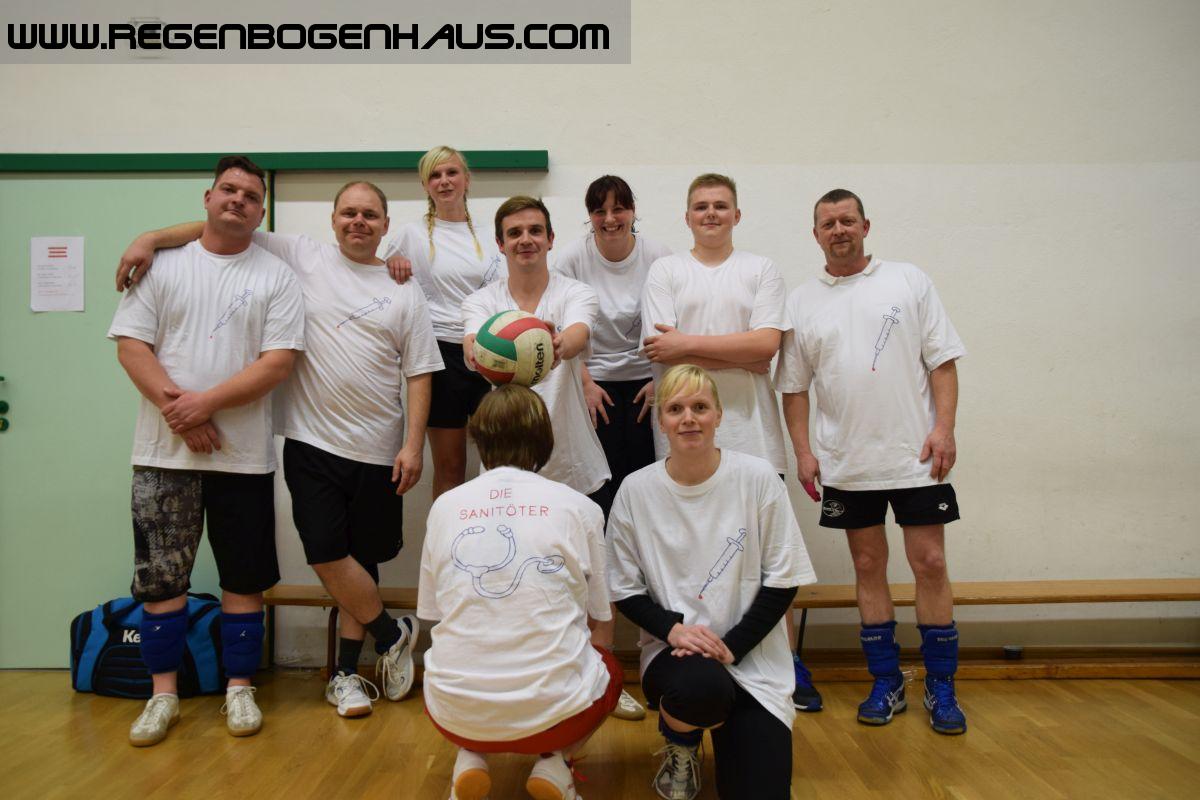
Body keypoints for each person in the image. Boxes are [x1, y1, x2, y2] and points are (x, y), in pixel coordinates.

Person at [117, 182, 443, 719]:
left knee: (361, 559)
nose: (358, 222)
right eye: (349, 213)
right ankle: (391, 633)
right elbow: (224, 226)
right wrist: (150, 239)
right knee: (325, 552)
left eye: (370, 215)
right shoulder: (301, 255)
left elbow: (420, 371)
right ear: (332, 219)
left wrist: (413, 445)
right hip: (311, 441)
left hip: (381, 447)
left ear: (386, 226)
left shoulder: (403, 286)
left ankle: (345, 674)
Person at [108, 156, 305, 745]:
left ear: (261, 211)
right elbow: (131, 346)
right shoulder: (163, 266)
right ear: (208, 197)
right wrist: (180, 411)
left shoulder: (277, 275)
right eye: (229, 189)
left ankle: (239, 688)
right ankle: (162, 696)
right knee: (161, 580)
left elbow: (278, 363)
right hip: (162, 456)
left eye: (250, 195)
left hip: (243, 459)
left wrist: (204, 405)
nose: (238, 200)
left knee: (244, 577)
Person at [775, 189, 968, 734]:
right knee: (867, 565)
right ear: (816, 234)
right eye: (828, 223)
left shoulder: (908, 281)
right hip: (847, 463)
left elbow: (943, 362)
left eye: (848, 220)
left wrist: (944, 429)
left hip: (915, 457)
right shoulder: (801, 302)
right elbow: (794, 388)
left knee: (930, 562)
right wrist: (804, 451)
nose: (839, 230)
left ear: (865, 226)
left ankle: (942, 686)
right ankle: (886, 682)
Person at [640, 173, 821, 711]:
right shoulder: (666, 270)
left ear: (737, 215)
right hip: (684, 438)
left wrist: (691, 347)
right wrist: (739, 353)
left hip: (754, 434)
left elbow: (766, 348)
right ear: (687, 217)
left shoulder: (761, 269)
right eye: (701, 206)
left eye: (721, 206)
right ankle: (693, 657)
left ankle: (785, 662)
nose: (711, 214)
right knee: (690, 554)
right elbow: (661, 350)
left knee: (769, 557)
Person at [607, 365, 817, 800]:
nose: (689, 418)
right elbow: (623, 587)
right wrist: (673, 630)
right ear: (661, 420)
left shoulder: (758, 478)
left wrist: (732, 647)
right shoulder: (636, 490)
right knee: (702, 689)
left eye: (700, 407)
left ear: (719, 415)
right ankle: (681, 741)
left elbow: (783, 580)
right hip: (675, 652)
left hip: (751, 655)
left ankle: (731, 729)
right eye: (676, 409)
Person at [418, 384, 620, 800]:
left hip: (453, 712)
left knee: (461, 649)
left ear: (478, 437)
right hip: (558, 716)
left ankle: (469, 758)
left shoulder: (443, 507)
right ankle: (555, 765)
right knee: (609, 670)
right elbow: (601, 615)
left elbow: (433, 611)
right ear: (545, 440)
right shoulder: (581, 507)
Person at [383, 146, 506, 500]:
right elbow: (375, 278)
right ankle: (446, 538)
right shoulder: (410, 235)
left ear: (466, 179)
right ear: (425, 185)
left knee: (501, 464)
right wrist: (391, 264)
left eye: (451, 172)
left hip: (490, 353)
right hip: (439, 358)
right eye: (435, 175)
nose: (444, 181)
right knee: (450, 467)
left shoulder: (491, 233)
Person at [553, 175, 671, 517]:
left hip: (646, 380)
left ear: (633, 211)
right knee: (602, 481)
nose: (609, 219)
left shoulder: (658, 255)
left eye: (618, 209)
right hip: (593, 380)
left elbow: (672, 325)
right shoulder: (572, 258)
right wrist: (585, 384)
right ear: (589, 216)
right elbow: (561, 330)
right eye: (599, 211)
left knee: (645, 477)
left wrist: (661, 379)